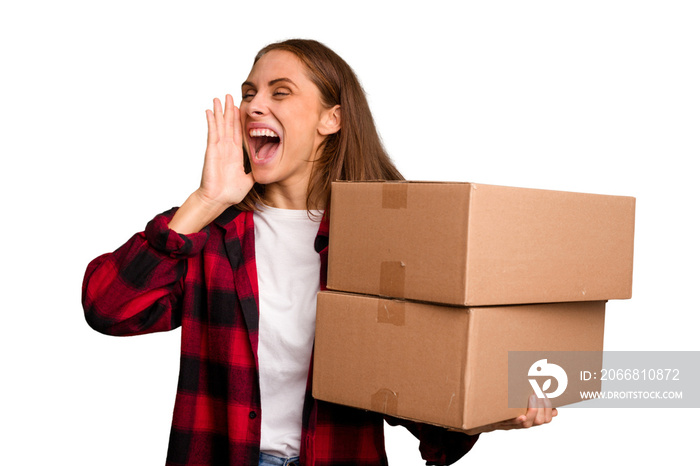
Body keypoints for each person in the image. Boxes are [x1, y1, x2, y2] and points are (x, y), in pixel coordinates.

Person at [82, 39, 555, 466]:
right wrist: (204, 202)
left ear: (332, 118)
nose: (253, 106)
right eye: (249, 93)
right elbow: (107, 308)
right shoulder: (208, 231)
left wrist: (491, 413)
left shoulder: (383, 242)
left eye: (279, 92)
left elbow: (409, 384)